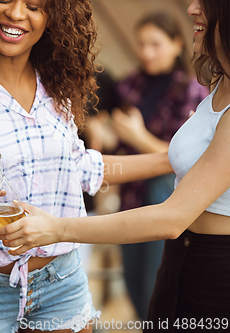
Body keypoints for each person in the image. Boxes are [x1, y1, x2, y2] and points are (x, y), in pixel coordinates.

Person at [0, 1, 172, 332]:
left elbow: (81, 169)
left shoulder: (56, 89)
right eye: (4, 0)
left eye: (33, 6)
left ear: (52, 18)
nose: (16, 14)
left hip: (62, 282)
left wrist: (168, 159)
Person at [0, 0, 230, 330]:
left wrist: (56, 228)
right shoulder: (217, 84)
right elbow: (171, 160)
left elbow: (172, 217)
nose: (192, 8)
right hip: (180, 257)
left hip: (216, 270)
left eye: (205, 2)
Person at [111, 12, 208, 321]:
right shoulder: (128, 85)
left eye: (155, 44)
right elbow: (118, 145)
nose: (146, 52)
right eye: (141, 44)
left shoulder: (193, 92)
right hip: (130, 193)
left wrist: (138, 137)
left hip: (167, 197)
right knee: (132, 281)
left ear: (177, 43)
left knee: (155, 284)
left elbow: (189, 157)